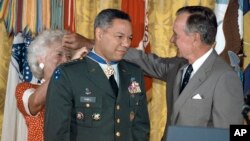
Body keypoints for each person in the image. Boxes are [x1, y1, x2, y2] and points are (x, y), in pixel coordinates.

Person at [124, 5, 244, 140]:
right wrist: (115, 48)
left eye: (176, 34)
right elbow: (145, 60)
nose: (171, 40)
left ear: (195, 38)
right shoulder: (176, 66)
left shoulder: (225, 77)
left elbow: (228, 135)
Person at [44, 9, 150, 141]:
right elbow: (57, 134)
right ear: (99, 34)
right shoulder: (69, 74)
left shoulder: (134, 73)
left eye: (130, 38)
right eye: (120, 37)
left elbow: (140, 129)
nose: (127, 43)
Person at [15, 30, 88, 141]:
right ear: (41, 59)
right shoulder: (25, 89)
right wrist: (67, 68)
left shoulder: (78, 89)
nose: (65, 60)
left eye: (68, 56)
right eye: (59, 54)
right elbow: (36, 103)